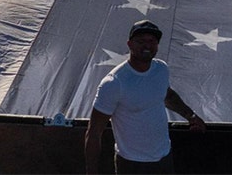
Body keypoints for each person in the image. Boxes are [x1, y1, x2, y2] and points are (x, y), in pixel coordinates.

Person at [84, 21, 205, 174]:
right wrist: (91, 171)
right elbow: (94, 132)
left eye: (151, 41)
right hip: (132, 165)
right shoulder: (114, 83)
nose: (147, 46)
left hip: (164, 159)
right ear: (129, 44)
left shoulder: (161, 69)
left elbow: (167, 95)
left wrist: (191, 115)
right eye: (140, 41)